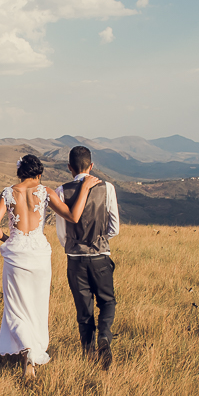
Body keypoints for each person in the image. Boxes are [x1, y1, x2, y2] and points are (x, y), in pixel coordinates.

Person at [0, 154, 99, 380]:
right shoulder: (45, 191)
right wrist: (86, 186)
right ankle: (34, 351)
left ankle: (27, 349)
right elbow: (73, 216)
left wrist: (8, 239)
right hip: (39, 254)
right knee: (38, 306)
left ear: (20, 173)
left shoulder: (8, 193)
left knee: (16, 308)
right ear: (38, 174)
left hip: (16, 254)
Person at [55, 145, 120, 370]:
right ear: (91, 166)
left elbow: (61, 232)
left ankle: (88, 354)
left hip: (75, 259)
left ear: (69, 168)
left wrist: (73, 245)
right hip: (101, 255)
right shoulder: (107, 188)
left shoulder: (61, 191)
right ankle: (104, 336)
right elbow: (115, 227)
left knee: (83, 310)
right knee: (107, 301)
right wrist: (101, 238)